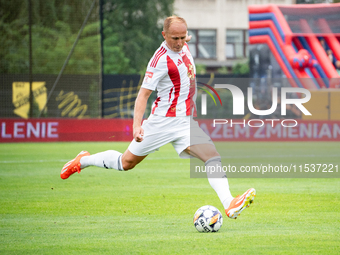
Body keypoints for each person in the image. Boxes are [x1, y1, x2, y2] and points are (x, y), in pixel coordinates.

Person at [61, 16, 256, 220]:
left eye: (183, 37)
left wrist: (183, 38)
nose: (180, 43)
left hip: (184, 121)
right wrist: (137, 127)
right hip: (161, 122)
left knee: (212, 156)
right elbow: (142, 95)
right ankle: (84, 160)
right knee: (126, 162)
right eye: (175, 38)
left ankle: (229, 203)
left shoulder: (183, 45)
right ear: (164, 36)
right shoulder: (160, 60)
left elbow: (183, 40)